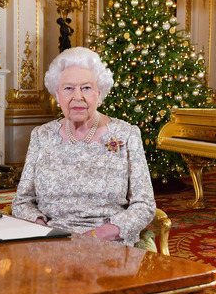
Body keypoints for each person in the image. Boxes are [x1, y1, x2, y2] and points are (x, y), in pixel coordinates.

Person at [11, 47, 156, 245]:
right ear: (57, 94)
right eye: (68, 88)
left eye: (86, 88)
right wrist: (43, 230)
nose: (77, 96)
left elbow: (145, 205)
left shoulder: (127, 134)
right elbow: (22, 201)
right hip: (51, 242)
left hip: (108, 244)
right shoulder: (41, 135)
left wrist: (96, 236)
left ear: (99, 92)